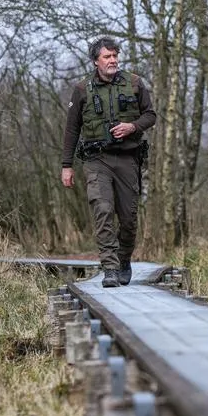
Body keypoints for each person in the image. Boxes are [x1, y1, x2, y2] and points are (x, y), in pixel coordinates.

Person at [61, 37, 156, 287]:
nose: (112, 60)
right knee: (103, 210)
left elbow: (150, 115)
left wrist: (132, 126)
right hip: (96, 160)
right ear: (95, 61)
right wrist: (66, 165)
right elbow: (72, 130)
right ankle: (110, 269)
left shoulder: (134, 83)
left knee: (128, 218)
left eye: (115, 55)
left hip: (127, 158)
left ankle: (124, 260)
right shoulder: (82, 89)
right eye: (107, 56)